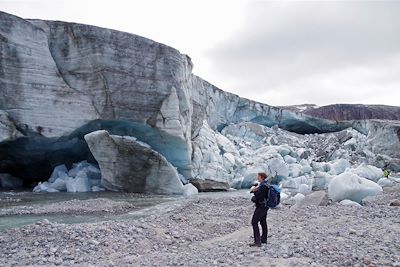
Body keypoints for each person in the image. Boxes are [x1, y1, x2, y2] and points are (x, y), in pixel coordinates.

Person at [249, 172, 269, 247]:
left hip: (261, 207)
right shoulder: (266, 184)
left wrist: (254, 192)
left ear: (261, 177)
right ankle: (264, 239)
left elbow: (259, 197)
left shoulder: (263, 186)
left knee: (254, 222)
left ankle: (257, 241)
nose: (257, 178)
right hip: (265, 206)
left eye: (258, 176)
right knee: (263, 222)